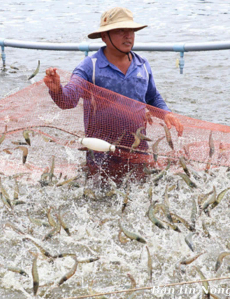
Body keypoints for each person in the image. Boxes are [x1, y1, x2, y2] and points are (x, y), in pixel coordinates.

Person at [43, 7, 183, 183]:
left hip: (137, 148)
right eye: (120, 31)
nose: (128, 36)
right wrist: (56, 90)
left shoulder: (142, 65)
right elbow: (68, 101)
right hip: (101, 150)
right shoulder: (89, 67)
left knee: (139, 193)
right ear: (104, 36)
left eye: (131, 31)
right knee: (100, 195)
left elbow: (152, 98)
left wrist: (166, 113)